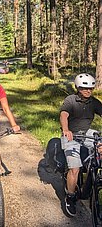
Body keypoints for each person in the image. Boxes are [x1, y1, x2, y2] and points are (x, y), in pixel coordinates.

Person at [60, 73, 102, 216]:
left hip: (86, 132)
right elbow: (64, 114)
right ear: (78, 88)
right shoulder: (70, 100)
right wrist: (66, 130)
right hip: (71, 134)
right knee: (75, 168)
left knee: (100, 147)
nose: (88, 91)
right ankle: (70, 197)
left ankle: (92, 180)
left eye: (90, 88)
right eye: (85, 88)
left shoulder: (94, 102)